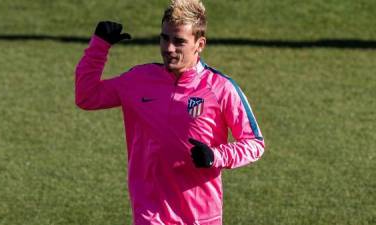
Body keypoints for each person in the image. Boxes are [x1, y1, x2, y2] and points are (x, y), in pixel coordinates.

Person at [75, 0, 265, 224]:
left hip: (200, 216)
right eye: (164, 38)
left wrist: (216, 156)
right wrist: (99, 47)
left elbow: (255, 143)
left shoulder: (220, 88)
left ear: (199, 44)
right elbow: (87, 97)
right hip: (150, 212)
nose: (169, 49)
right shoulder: (139, 80)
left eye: (179, 41)